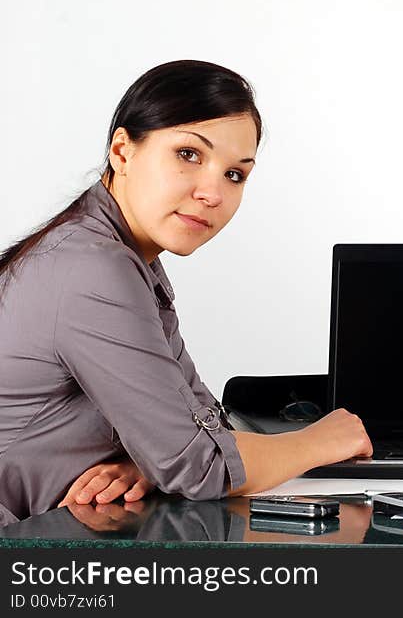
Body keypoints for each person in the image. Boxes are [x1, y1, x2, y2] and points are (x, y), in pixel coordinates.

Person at [0, 60, 372, 526]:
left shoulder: (128, 260)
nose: (213, 193)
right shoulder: (92, 267)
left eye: (235, 175)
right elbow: (201, 464)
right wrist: (328, 439)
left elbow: (204, 420)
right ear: (122, 150)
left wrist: (148, 462)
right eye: (189, 155)